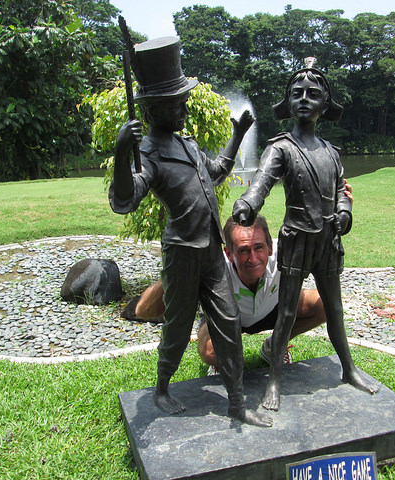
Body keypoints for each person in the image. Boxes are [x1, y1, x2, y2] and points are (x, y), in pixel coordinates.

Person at [109, 37, 271, 427]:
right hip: (181, 255)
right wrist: (121, 152)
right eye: (176, 103)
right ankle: (162, 388)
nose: (184, 108)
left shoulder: (187, 145)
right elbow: (124, 200)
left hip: (211, 253)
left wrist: (238, 135)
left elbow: (217, 172)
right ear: (152, 110)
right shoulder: (148, 154)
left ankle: (237, 403)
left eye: (184, 100)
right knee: (178, 328)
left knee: (228, 322)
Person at [232, 57, 378, 411]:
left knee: (335, 309)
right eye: (297, 93)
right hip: (297, 240)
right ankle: (274, 379)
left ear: (325, 104)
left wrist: (345, 211)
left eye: (313, 94)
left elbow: (341, 189)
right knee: (286, 314)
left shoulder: (331, 152)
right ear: (288, 101)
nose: (304, 99)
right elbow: (262, 182)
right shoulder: (281, 147)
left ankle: (348, 369)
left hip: (327, 241)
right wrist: (248, 204)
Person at [133, 209, 351, 372]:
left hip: (273, 307)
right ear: (228, 253)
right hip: (226, 319)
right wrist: (177, 270)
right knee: (210, 351)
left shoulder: (286, 254)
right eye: (243, 250)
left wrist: (341, 208)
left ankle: (274, 346)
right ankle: (222, 361)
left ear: (271, 246)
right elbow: (144, 310)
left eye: (259, 248)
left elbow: (322, 239)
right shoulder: (212, 268)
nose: (253, 258)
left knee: (326, 305)